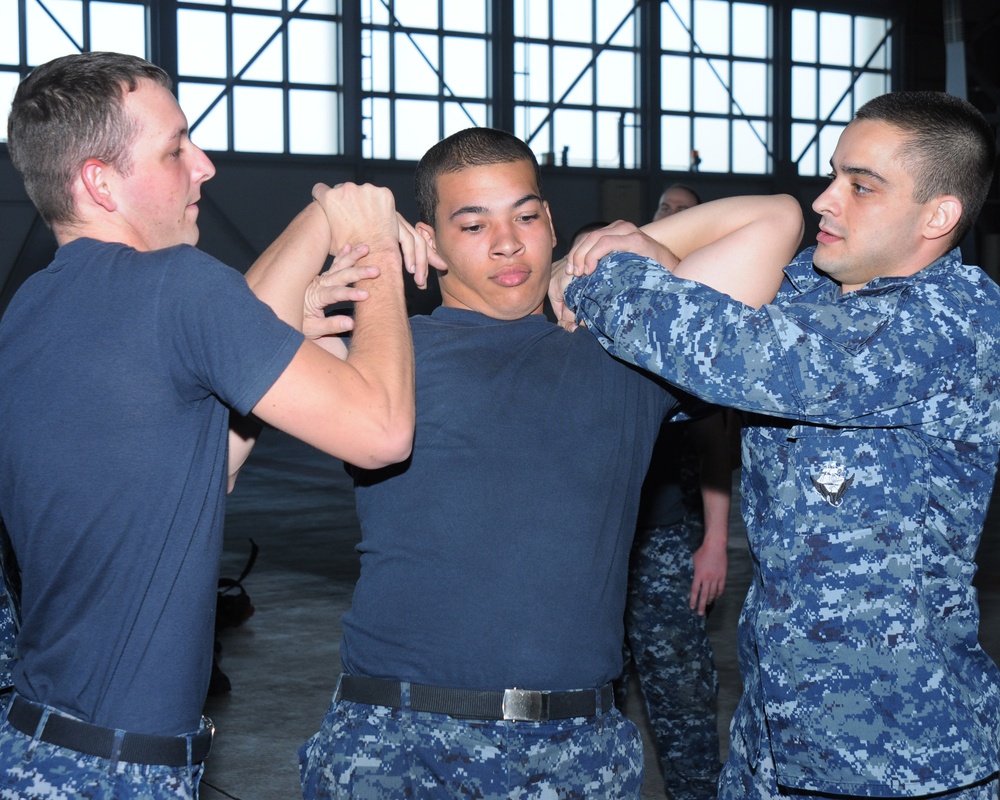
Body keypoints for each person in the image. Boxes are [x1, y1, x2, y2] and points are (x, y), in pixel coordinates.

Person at [296, 128, 803, 800]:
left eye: (526, 216)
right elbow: (238, 339)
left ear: (551, 224)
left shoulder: (618, 355)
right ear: (430, 242)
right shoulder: (386, 359)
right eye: (472, 224)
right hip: (391, 745)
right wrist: (329, 216)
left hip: (570, 753)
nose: (508, 243)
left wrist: (636, 239)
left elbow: (779, 220)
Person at [557, 90, 1000, 798]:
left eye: (861, 186)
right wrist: (646, 241)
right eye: (832, 176)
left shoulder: (952, 326)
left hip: (907, 760)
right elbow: (765, 223)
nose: (826, 200)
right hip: (774, 748)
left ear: (939, 215)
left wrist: (594, 272)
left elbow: (719, 346)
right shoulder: (814, 293)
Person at [0, 51, 418, 799]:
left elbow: (200, 466)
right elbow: (382, 431)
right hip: (120, 771)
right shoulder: (180, 289)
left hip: (39, 745)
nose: (205, 164)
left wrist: (307, 250)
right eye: (175, 148)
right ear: (100, 181)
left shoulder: (32, 311)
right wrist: (372, 244)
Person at [573, 209, 730, 798]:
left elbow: (714, 445)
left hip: (663, 539)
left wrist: (713, 543)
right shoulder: (600, 315)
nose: (669, 219)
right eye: (663, 210)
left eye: (682, 210)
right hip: (596, 546)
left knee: (683, 696)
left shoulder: (677, 333)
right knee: (592, 695)